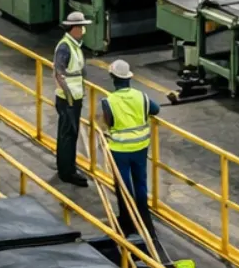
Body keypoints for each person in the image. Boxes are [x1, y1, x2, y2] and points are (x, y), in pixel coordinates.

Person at [97, 59, 160, 240]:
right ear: (129, 78)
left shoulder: (109, 101)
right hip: (140, 147)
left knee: (123, 186)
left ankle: (128, 222)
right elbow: (155, 110)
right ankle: (144, 218)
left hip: (119, 150)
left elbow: (109, 122)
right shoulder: (141, 96)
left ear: (112, 77)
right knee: (140, 182)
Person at [54, 12, 91, 187]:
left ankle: (66, 167)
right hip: (68, 100)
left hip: (74, 98)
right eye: (81, 27)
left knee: (69, 134)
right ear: (74, 28)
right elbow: (59, 74)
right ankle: (67, 172)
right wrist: (69, 98)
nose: (84, 30)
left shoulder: (74, 45)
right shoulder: (65, 47)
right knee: (68, 135)